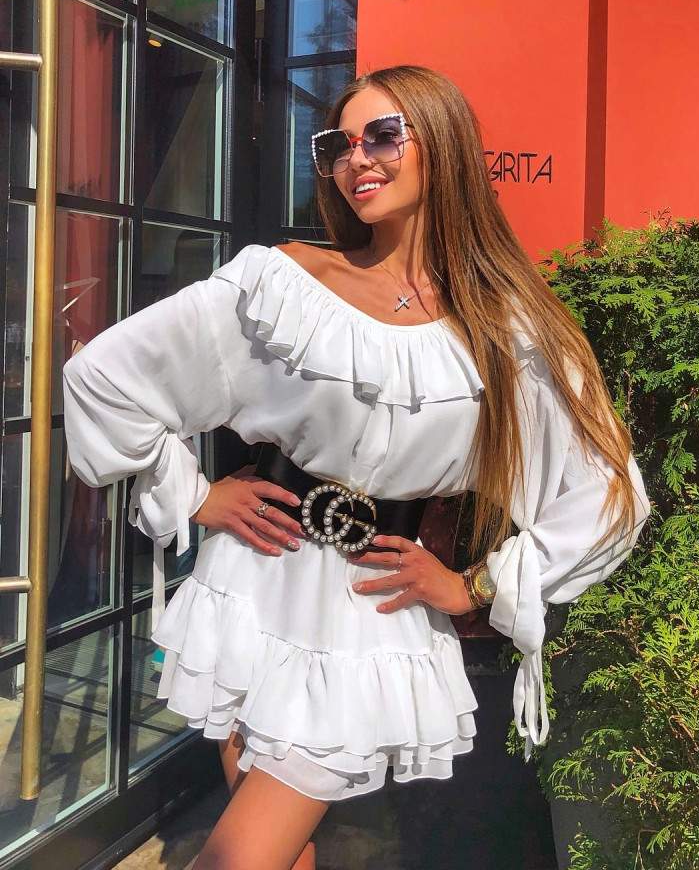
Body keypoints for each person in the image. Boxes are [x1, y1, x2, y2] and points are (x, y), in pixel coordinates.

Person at [61, 65, 652, 870]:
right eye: (339, 145)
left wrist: (477, 585)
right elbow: (104, 377)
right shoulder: (284, 282)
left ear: (442, 144)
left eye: (383, 136)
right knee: (280, 851)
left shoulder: (508, 327)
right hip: (252, 582)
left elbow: (609, 493)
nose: (357, 160)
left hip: (365, 613)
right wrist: (194, 496)